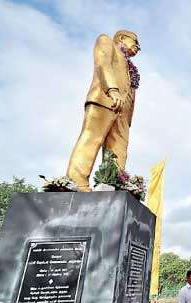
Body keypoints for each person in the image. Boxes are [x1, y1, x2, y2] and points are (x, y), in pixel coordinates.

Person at [66, 30, 141, 192]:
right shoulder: (106, 41)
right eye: (135, 42)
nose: (138, 47)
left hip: (123, 114)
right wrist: (112, 90)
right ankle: (76, 183)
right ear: (122, 38)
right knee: (92, 139)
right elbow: (103, 63)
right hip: (105, 99)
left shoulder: (131, 67)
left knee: (118, 150)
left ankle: (114, 184)